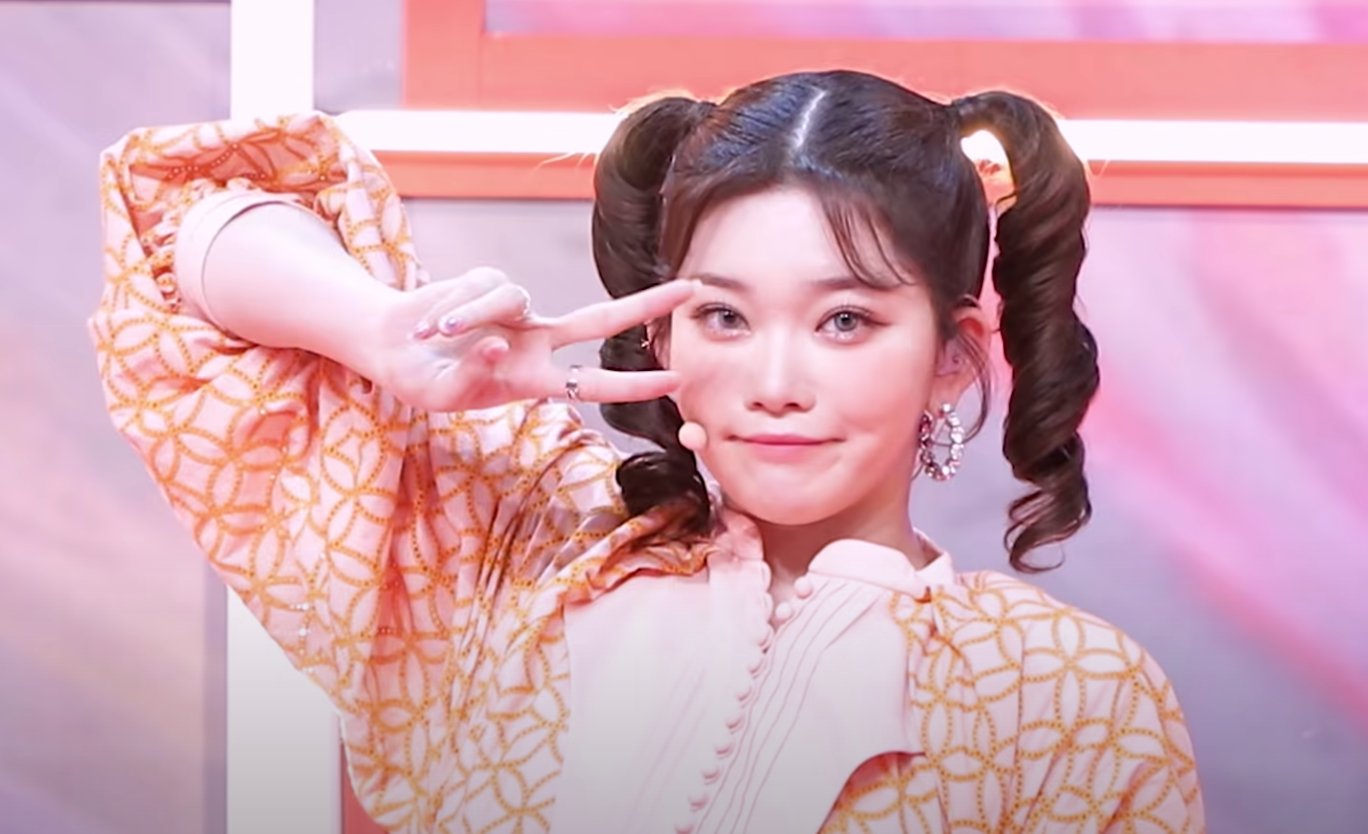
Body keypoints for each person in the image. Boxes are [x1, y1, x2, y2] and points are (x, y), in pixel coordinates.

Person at [91, 71, 1203, 834]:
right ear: (660, 333)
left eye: (845, 320)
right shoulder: (521, 549)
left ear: (951, 358)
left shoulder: (1066, 696)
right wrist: (378, 332)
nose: (775, 381)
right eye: (723, 315)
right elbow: (174, 217)